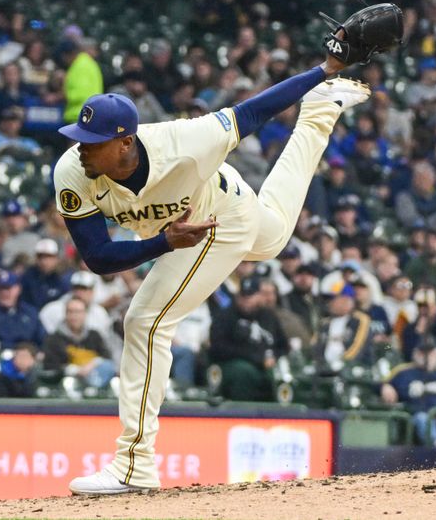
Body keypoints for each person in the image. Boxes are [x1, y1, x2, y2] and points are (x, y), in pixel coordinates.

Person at [55, 40, 371, 493]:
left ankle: (134, 466)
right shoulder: (72, 172)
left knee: (144, 322)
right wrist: (163, 242)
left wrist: (325, 68)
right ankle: (320, 112)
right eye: (79, 139)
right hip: (193, 221)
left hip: (215, 218)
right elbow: (98, 258)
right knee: (276, 235)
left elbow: (255, 111)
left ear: (126, 142)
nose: (80, 149)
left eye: (93, 143)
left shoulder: (184, 140)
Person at [209, 276, 288, 401]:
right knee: (244, 372)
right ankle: (241, 411)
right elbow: (218, 348)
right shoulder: (225, 316)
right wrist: (255, 357)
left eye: (250, 296)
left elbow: (283, 346)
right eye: (242, 296)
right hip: (233, 363)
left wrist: (274, 357)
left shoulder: (269, 316)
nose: (245, 300)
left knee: (282, 376)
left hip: (268, 363)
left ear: (259, 296)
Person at [381, 339, 436, 446]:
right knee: (423, 418)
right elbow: (381, 384)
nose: (426, 356)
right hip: (418, 416)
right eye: (422, 352)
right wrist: (385, 386)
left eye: (431, 353)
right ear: (415, 353)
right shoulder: (404, 373)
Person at [43, 297, 116, 388]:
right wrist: (76, 370)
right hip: (64, 386)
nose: (74, 316)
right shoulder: (54, 339)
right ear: (65, 314)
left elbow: (107, 357)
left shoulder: (94, 336)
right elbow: (51, 366)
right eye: (70, 312)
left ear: (85, 314)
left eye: (78, 312)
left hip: (96, 382)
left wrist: (92, 364)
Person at [0, 271, 45, 349]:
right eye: (1, 288)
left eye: (8, 288)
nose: (4, 292)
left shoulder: (30, 312)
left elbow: (41, 338)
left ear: (18, 289)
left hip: (28, 355)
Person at [313, 283, 374, 371]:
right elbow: (315, 345)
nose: (329, 303)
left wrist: (343, 363)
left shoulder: (360, 320)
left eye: (333, 299)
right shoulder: (324, 322)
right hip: (323, 369)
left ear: (347, 301)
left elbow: (358, 347)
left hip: (354, 369)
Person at [19, 239, 71, 310]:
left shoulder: (63, 278)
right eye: (40, 257)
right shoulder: (27, 277)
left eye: (49, 257)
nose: (44, 261)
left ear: (57, 258)